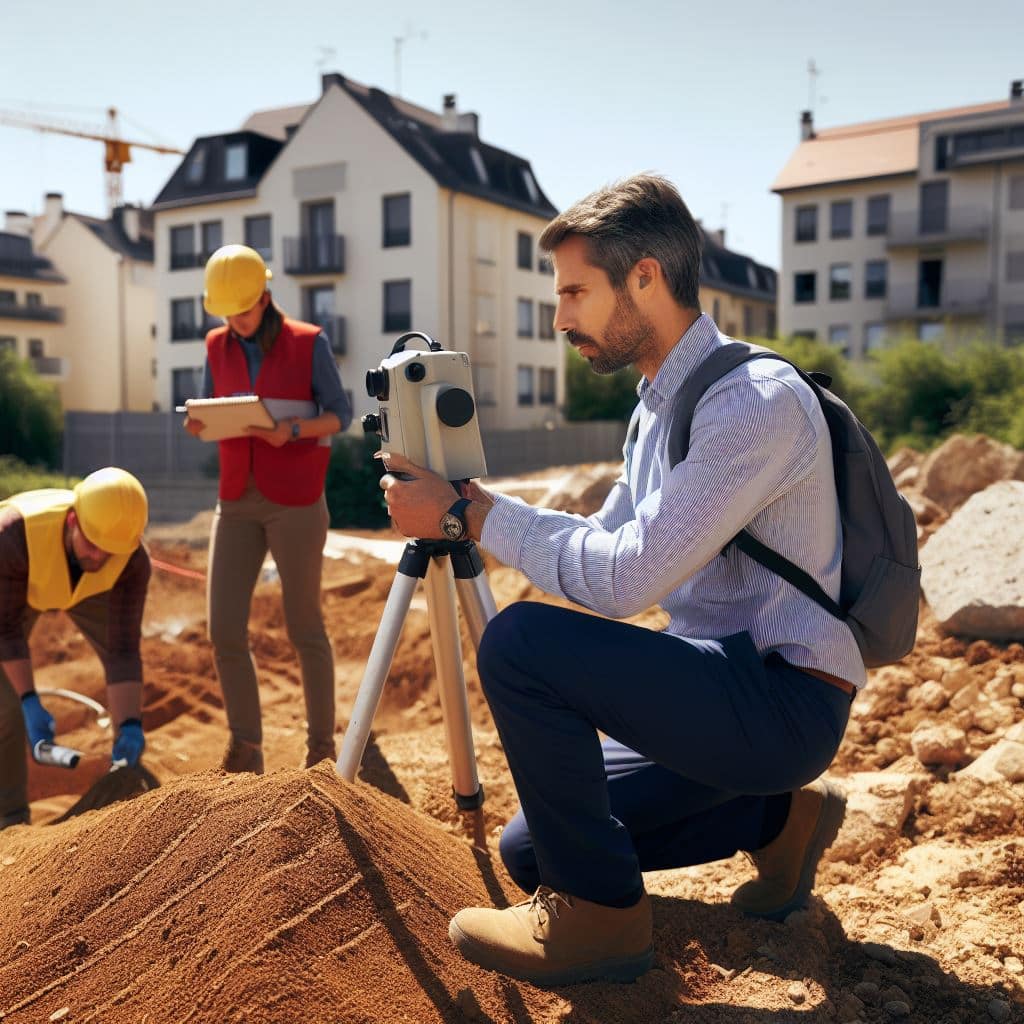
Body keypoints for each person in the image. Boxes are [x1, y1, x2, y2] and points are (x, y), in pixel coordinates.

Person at [379, 174, 864, 986]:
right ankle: (779, 818)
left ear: (645, 277)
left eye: (575, 291)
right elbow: (605, 538)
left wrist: (467, 516)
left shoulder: (750, 403)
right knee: (532, 848)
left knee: (522, 643)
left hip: (785, 701)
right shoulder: (656, 405)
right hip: (724, 688)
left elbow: (624, 580)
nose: (561, 315)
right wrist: (475, 502)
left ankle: (600, 922)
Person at [184, 244, 352, 774]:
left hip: (297, 499)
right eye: (226, 313)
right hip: (235, 497)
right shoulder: (217, 345)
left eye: (243, 310)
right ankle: (246, 746)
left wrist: (292, 431)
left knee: (305, 626)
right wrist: (200, 423)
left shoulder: (308, 342)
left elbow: (340, 414)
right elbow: (214, 404)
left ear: (265, 296)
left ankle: (321, 746)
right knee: (223, 629)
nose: (235, 321)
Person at [0, 467, 151, 830]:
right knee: (5, 705)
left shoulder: (130, 562)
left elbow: (123, 650)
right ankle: (10, 819)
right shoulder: (12, 536)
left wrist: (129, 723)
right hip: (18, 579)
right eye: (92, 543)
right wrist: (28, 700)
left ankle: (124, 776)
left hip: (88, 592)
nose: (99, 557)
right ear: (72, 519)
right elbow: (4, 629)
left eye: (110, 551)